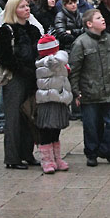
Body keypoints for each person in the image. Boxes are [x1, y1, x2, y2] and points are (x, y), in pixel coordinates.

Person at [70, 10, 110, 166]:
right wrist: (76, 92)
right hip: (89, 92)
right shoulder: (80, 42)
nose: (103, 20)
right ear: (89, 24)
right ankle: (91, 153)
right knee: (91, 125)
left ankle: (107, 149)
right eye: (98, 18)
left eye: (103, 17)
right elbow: (74, 70)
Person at [0, 0, 41, 169]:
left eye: (27, 6)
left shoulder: (33, 30)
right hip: (15, 78)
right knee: (13, 118)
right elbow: (5, 57)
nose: (27, 9)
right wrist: (23, 70)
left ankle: (27, 153)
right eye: (22, 7)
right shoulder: (6, 30)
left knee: (30, 116)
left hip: (32, 77)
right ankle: (13, 158)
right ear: (14, 10)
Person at [34, 35, 72, 174]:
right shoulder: (47, 62)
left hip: (59, 99)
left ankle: (56, 158)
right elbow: (59, 60)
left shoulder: (58, 62)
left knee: (56, 130)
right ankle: (47, 160)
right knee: (46, 130)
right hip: (47, 101)